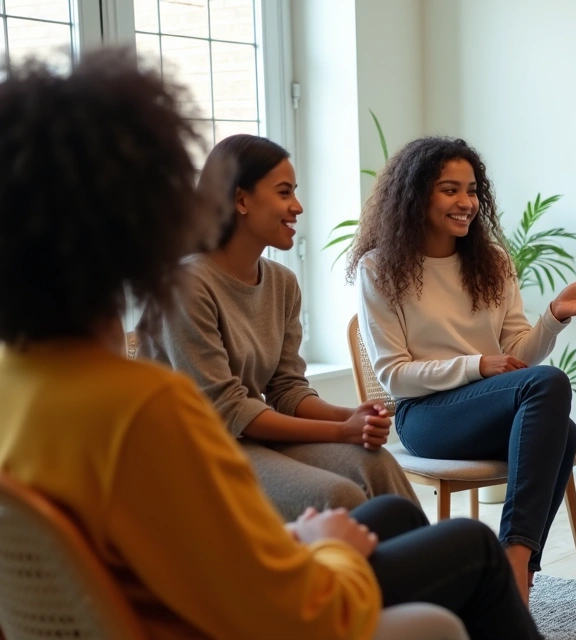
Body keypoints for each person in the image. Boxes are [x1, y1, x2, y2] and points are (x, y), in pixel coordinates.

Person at [0, 49, 541, 640]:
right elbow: (279, 604)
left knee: (382, 500)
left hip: (180, 594)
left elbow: (198, 538)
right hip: (249, 617)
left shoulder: (16, 382)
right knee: (466, 545)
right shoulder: (147, 405)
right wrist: (324, 547)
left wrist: (331, 457)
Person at [350, 135, 576, 604]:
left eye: (472, 190)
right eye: (450, 189)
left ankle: (517, 567)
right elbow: (395, 375)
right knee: (552, 395)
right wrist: (477, 365)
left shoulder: (492, 263)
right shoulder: (380, 269)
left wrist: (554, 316)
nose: (466, 203)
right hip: (426, 417)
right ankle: (516, 567)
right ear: (416, 195)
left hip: (487, 408)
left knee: (564, 429)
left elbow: (519, 355)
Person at [142, 134, 417, 519]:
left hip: (250, 441)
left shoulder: (281, 283)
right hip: (196, 453)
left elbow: (286, 389)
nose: (298, 206)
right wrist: (341, 432)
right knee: (337, 496)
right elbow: (227, 411)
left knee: (376, 464)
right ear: (240, 200)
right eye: (284, 192)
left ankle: (431, 575)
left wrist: (351, 415)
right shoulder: (186, 286)